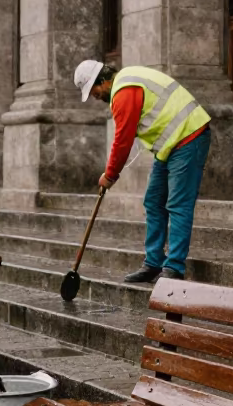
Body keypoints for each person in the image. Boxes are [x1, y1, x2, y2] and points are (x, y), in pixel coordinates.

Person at [75, 60, 211, 285]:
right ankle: (153, 263)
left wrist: (110, 175)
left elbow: (122, 140)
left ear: (103, 80)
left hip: (189, 137)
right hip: (170, 146)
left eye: (93, 91)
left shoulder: (123, 91)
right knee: (153, 201)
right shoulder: (126, 83)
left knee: (177, 204)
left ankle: (174, 267)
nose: (94, 97)